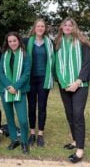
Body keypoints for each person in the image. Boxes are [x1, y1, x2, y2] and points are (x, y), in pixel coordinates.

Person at [55, 17, 90, 163]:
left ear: (74, 27)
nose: (67, 27)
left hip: (80, 85)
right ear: (61, 27)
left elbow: (87, 63)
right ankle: (75, 140)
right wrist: (64, 83)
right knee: (70, 114)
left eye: (70, 25)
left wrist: (77, 81)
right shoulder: (57, 43)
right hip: (64, 85)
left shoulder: (82, 43)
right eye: (65, 25)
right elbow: (56, 64)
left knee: (78, 114)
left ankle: (80, 150)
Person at [0, 32, 31, 154]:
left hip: (19, 90)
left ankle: (24, 141)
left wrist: (15, 87)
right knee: (10, 117)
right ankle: (14, 139)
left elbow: (26, 73)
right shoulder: (4, 55)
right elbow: (0, 72)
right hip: (5, 91)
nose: (12, 43)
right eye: (10, 41)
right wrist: (8, 86)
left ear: (19, 41)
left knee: (22, 119)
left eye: (14, 40)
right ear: (7, 43)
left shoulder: (25, 55)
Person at [24, 19, 54, 147]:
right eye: (38, 26)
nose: (40, 28)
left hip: (44, 78)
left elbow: (54, 60)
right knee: (31, 105)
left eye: (42, 26)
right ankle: (32, 133)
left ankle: (40, 134)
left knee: (42, 106)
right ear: (34, 28)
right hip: (30, 79)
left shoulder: (49, 43)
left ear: (45, 28)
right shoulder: (27, 42)